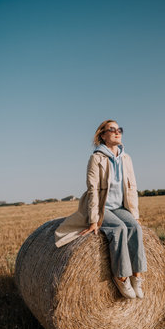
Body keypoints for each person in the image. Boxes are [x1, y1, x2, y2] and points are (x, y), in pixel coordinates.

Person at [54, 119, 147, 299]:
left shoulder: (126, 159)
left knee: (135, 228)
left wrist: (134, 215)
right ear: (102, 135)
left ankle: (137, 276)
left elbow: (132, 188)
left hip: (120, 207)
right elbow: (93, 190)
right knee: (119, 229)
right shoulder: (96, 158)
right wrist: (94, 219)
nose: (117, 132)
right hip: (104, 208)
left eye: (119, 129)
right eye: (112, 129)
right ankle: (121, 277)